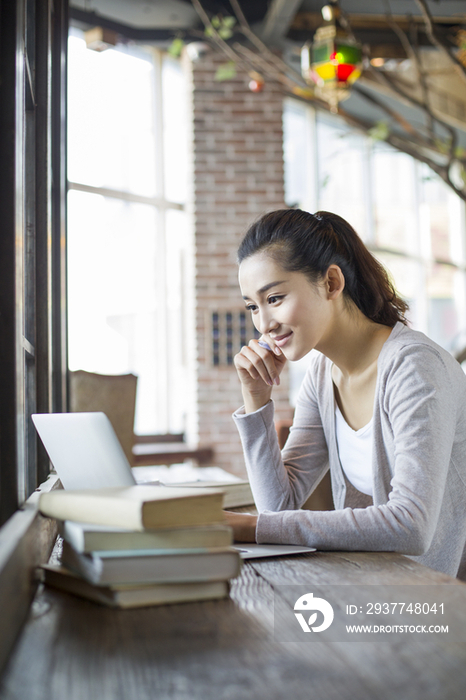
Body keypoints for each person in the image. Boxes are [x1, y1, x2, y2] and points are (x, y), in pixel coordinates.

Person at [224, 208, 466, 580]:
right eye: (253, 306)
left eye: (274, 298)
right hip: (369, 587)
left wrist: (249, 528)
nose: (264, 324)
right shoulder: (323, 374)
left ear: (332, 283)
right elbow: (278, 506)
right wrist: (257, 399)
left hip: (435, 606)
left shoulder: (415, 367)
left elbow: (411, 526)